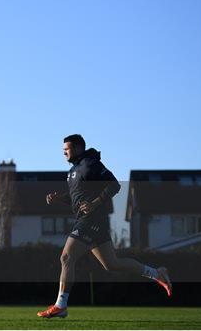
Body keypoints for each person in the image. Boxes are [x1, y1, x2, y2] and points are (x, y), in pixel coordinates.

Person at [37, 134, 172, 319]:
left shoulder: (91, 163)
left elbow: (114, 185)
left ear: (77, 148)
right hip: (89, 220)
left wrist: (95, 203)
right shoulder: (72, 172)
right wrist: (60, 198)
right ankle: (157, 273)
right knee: (112, 264)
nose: (64, 153)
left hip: (91, 219)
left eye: (66, 150)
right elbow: (77, 201)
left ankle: (61, 305)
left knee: (67, 257)